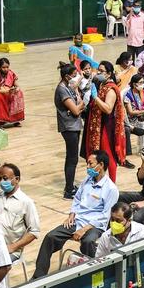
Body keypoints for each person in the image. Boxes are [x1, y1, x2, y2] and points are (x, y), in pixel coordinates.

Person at [34, 151, 119, 277]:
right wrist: (72, 214)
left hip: (94, 225)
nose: (87, 167)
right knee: (50, 237)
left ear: (100, 165)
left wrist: (85, 229)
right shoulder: (87, 180)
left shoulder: (111, 189)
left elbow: (105, 216)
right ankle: (38, 276)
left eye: (90, 164)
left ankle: (93, 272)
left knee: (88, 241)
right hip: (77, 220)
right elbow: (77, 199)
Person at [84, 61, 128, 182]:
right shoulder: (101, 85)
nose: (98, 73)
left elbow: (108, 109)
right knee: (97, 156)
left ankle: (112, 184)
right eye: (98, 70)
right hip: (97, 125)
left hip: (106, 127)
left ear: (109, 74)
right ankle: (96, 180)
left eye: (101, 71)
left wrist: (96, 98)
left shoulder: (111, 90)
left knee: (108, 156)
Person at [0, 163, 40, 261]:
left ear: (17, 179)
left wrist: (13, 247)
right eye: (0, 179)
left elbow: (34, 232)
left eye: (5, 178)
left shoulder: (26, 202)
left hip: (9, 250)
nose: (2, 182)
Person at [55, 63, 86, 199]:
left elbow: (76, 104)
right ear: (67, 76)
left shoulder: (68, 87)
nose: (76, 77)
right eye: (74, 75)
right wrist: (83, 103)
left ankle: (71, 185)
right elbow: (75, 110)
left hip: (75, 125)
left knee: (73, 158)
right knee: (72, 159)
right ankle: (68, 191)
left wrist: (79, 103)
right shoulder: (62, 90)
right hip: (69, 127)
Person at [0, 58, 25, 127]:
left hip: (6, 90)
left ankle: (15, 119)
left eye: (7, 67)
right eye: (3, 67)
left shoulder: (10, 73)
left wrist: (16, 89)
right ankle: (0, 121)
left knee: (19, 93)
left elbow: (16, 85)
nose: (6, 69)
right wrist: (6, 91)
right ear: (0, 67)